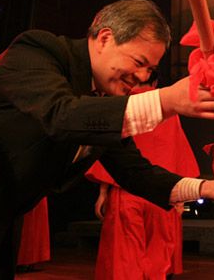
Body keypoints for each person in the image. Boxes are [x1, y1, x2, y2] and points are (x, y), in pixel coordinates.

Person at [0, 0, 214, 279]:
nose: (142, 77)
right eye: (139, 62)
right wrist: (166, 101)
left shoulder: (103, 104)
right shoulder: (38, 51)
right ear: (105, 38)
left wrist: (206, 188)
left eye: (150, 69)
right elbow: (62, 115)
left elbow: (136, 172)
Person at [86, 84, 200, 280]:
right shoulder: (167, 107)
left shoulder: (123, 105)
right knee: (158, 256)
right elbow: (178, 152)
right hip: (163, 193)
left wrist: (103, 192)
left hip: (127, 191)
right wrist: (180, 197)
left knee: (126, 259)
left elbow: (112, 155)